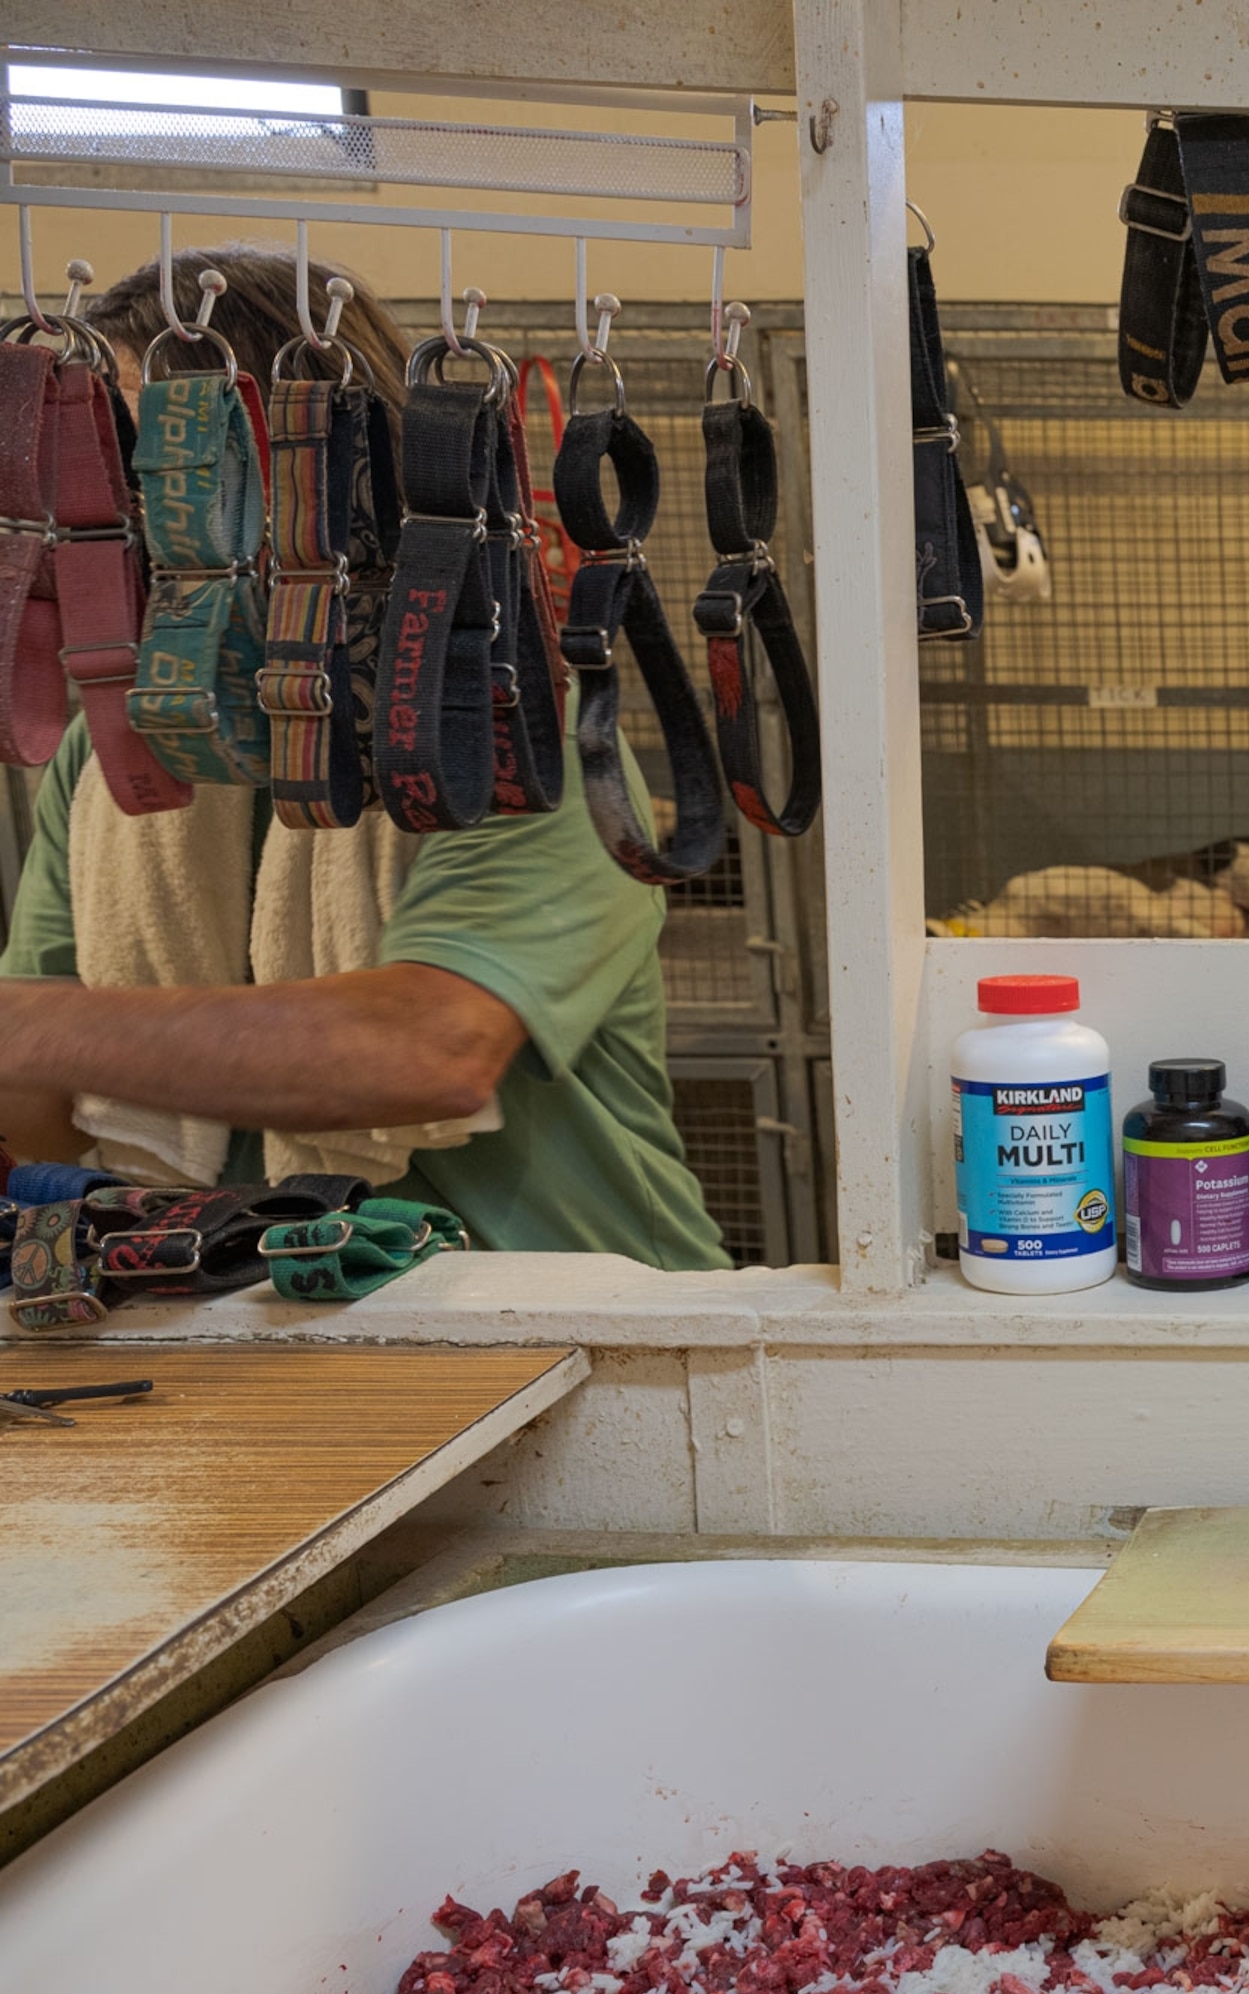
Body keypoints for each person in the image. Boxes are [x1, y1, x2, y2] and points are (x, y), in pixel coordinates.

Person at [0, 244, 730, 1269]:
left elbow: (429, 1049)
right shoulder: (111, 756)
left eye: (145, 461)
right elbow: (46, 1120)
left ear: (308, 470)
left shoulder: (510, 741)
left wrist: (34, 1028)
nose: (107, 515)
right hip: (256, 1315)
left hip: (575, 1325)